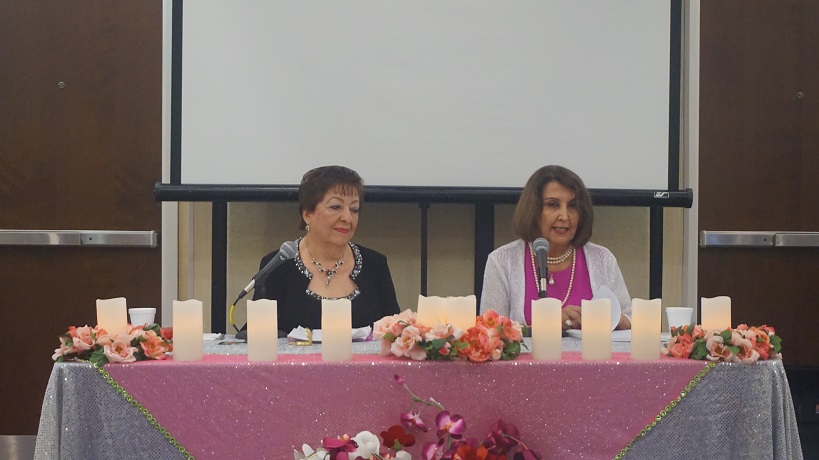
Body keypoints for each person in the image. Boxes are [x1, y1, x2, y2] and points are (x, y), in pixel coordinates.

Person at [252, 165, 401, 334]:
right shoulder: (279, 266)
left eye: (354, 209)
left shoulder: (374, 265)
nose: (347, 218)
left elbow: (393, 333)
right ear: (307, 214)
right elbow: (258, 335)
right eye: (336, 207)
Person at [480, 165, 632, 330]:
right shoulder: (502, 261)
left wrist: (617, 320)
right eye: (553, 205)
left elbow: (630, 319)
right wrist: (548, 326)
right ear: (533, 210)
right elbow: (490, 332)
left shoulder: (602, 259)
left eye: (572, 206)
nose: (564, 216)